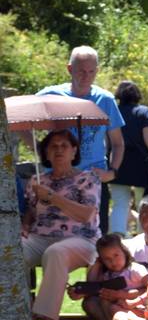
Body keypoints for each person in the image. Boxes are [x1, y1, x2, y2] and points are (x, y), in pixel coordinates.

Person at [23, 130, 102, 320]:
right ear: (46, 153)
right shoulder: (38, 180)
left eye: (64, 146)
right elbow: (31, 212)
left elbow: (86, 214)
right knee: (12, 251)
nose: (59, 150)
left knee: (56, 252)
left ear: (74, 150)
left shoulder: (87, 179)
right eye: (53, 147)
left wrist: (51, 196)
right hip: (40, 237)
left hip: (81, 240)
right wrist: (24, 225)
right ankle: (15, 316)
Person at [38, 46, 125, 233]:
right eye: (81, 71)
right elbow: (21, 119)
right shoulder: (51, 96)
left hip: (92, 178)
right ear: (70, 69)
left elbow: (118, 143)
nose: (86, 76)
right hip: (56, 177)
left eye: (91, 71)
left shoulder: (105, 100)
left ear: (97, 71)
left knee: (95, 237)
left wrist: (112, 172)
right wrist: (39, 148)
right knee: (52, 233)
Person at [70, 232, 148, 320]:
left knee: (109, 304)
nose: (113, 261)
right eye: (107, 259)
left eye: (116, 255)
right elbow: (93, 285)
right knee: (91, 303)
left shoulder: (134, 269)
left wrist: (123, 295)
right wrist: (97, 265)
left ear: (124, 252)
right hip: (117, 310)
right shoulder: (107, 274)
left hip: (137, 307)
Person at [113, 81, 148, 212]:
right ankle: (144, 232)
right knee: (144, 204)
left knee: (119, 204)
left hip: (117, 162)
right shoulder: (143, 112)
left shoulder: (113, 112)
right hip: (141, 165)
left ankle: (117, 232)